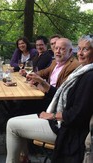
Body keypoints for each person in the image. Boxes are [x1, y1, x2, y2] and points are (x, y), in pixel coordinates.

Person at [6, 34, 93, 163]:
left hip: (68, 129)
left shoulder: (88, 76)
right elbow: (62, 93)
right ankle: (24, 158)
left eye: (85, 49)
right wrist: (39, 80)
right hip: (59, 116)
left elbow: (78, 114)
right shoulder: (81, 70)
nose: (80, 53)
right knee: (14, 119)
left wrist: (53, 116)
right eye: (79, 49)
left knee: (12, 125)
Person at [19, 38, 80, 115]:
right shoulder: (55, 62)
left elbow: (60, 93)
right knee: (22, 101)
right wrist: (33, 75)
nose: (57, 51)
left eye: (62, 49)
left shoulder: (73, 66)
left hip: (53, 102)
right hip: (46, 95)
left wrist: (40, 82)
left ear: (70, 51)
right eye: (56, 48)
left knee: (24, 104)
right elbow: (43, 72)